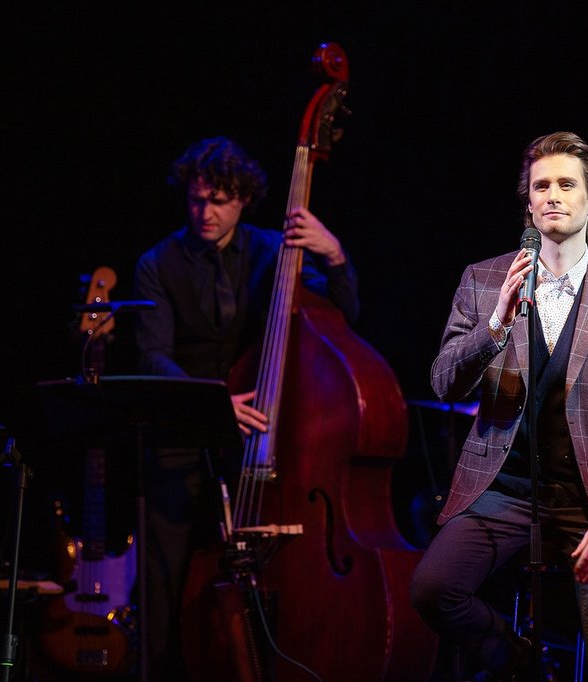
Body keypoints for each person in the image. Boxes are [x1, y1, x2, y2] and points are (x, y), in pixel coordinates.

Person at [410, 131, 588, 681]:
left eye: (566, 184)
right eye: (540, 186)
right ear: (527, 203)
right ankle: (519, 660)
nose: (552, 195)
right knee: (433, 589)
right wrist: (495, 324)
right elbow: (445, 383)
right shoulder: (484, 280)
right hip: (504, 488)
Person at [132, 136, 359, 679]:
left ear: (243, 200)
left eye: (219, 201)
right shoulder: (157, 263)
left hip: (258, 440)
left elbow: (342, 317)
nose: (205, 212)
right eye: (197, 199)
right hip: (182, 438)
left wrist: (335, 255)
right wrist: (214, 402)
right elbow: (153, 355)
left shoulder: (275, 252)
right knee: (165, 584)